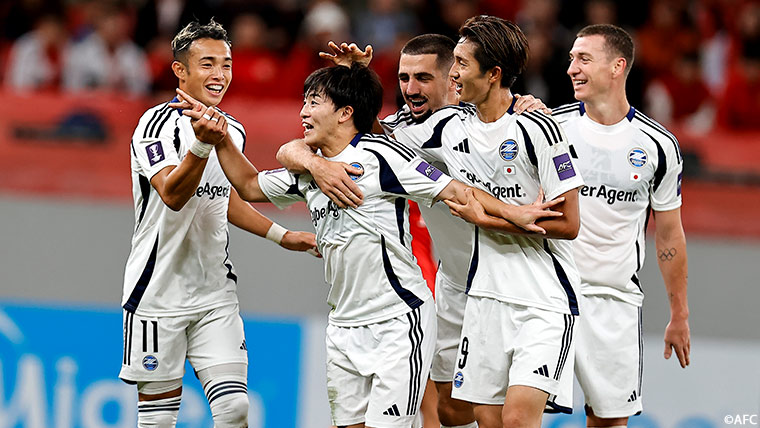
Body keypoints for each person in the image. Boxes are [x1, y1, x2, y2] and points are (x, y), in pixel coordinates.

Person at [171, 61, 565, 428]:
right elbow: (249, 185)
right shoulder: (311, 169)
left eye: (314, 103)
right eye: (304, 103)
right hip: (343, 326)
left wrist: (513, 212)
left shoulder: (381, 156)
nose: (303, 113)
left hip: (398, 320)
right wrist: (219, 137)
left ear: (345, 113)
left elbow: (456, 190)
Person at [277, 35, 551, 428]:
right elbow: (326, 142)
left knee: (507, 414)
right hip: (455, 282)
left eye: (423, 78)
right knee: (449, 410)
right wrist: (353, 84)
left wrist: (530, 109)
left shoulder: (491, 123)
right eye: (403, 78)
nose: (410, 88)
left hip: (515, 277)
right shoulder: (398, 131)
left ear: (453, 78)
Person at [119, 19, 317, 428]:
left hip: (215, 293)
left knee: (235, 409)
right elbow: (172, 194)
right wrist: (201, 144)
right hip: (157, 293)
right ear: (180, 71)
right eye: (207, 64)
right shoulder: (153, 126)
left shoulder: (232, 130)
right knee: (158, 421)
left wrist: (281, 235)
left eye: (226, 64)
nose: (219, 74)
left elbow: (222, 198)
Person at [392, 16, 584, 428]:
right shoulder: (447, 127)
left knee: (516, 419)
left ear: (493, 74)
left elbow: (569, 223)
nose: (453, 74)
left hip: (542, 298)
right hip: (483, 298)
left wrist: (490, 221)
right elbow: (377, 142)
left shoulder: (540, 128)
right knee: (481, 418)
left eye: (461, 64)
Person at [553, 23, 690, 427]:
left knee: (609, 421)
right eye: (571, 59)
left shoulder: (658, 146)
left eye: (584, 59)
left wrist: (679, 314)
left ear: (617, 66)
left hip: (614, 302)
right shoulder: (550, 129)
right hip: (551, 294)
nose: (572, 68)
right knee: (517, 413)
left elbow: (669, 235)